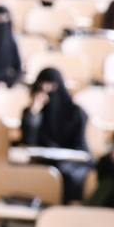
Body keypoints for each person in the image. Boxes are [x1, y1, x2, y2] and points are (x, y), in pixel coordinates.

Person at [19, 68, 91, 202]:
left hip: (70, 163)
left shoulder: (76, 113)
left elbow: (80, 146)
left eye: (51, 85)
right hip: (42, 160)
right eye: (41, 85)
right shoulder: (30, 112)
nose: (46, 89)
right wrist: (34, 114)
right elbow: (28, 142)